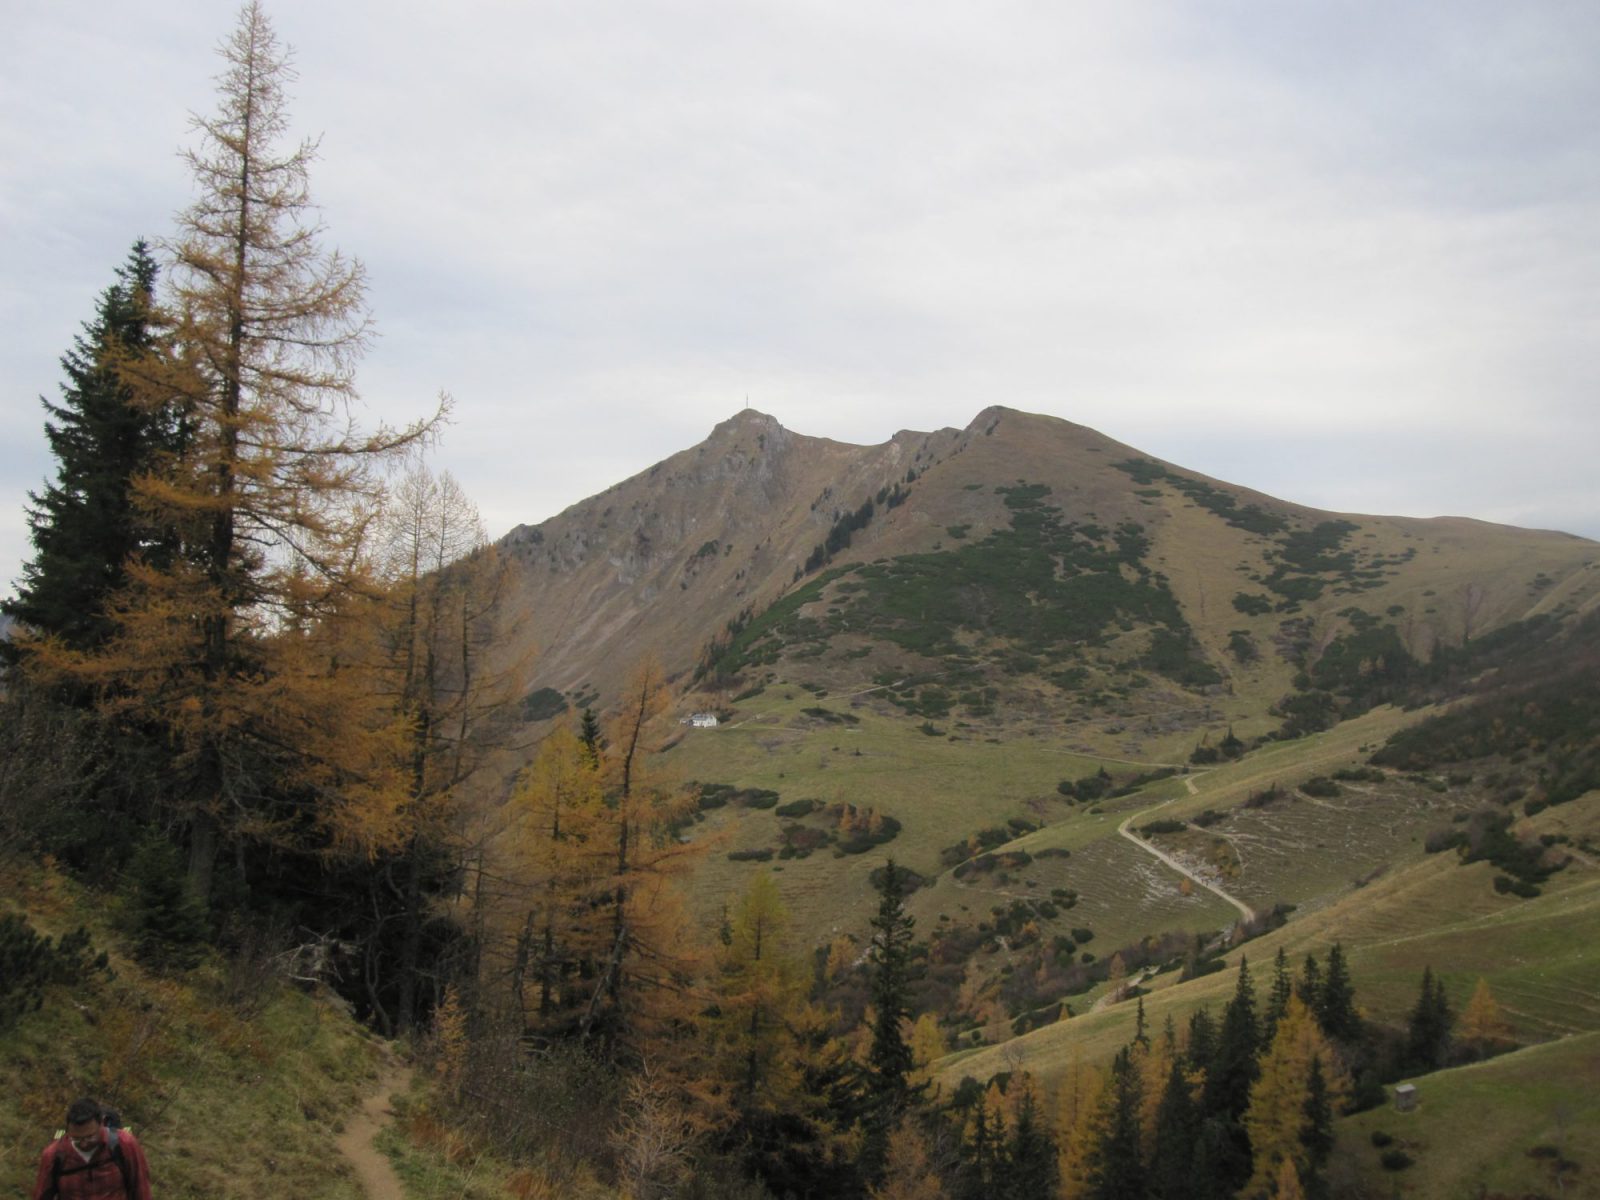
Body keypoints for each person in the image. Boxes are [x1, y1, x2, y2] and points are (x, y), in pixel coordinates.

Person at [31, 1097, 152, 1200]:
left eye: (90, 1137)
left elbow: (141, 1188)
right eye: (76, 1138)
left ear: (102, 1124)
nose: (84, 1144)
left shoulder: (124, 1144)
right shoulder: (54, 1155)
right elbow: (41, 1195)